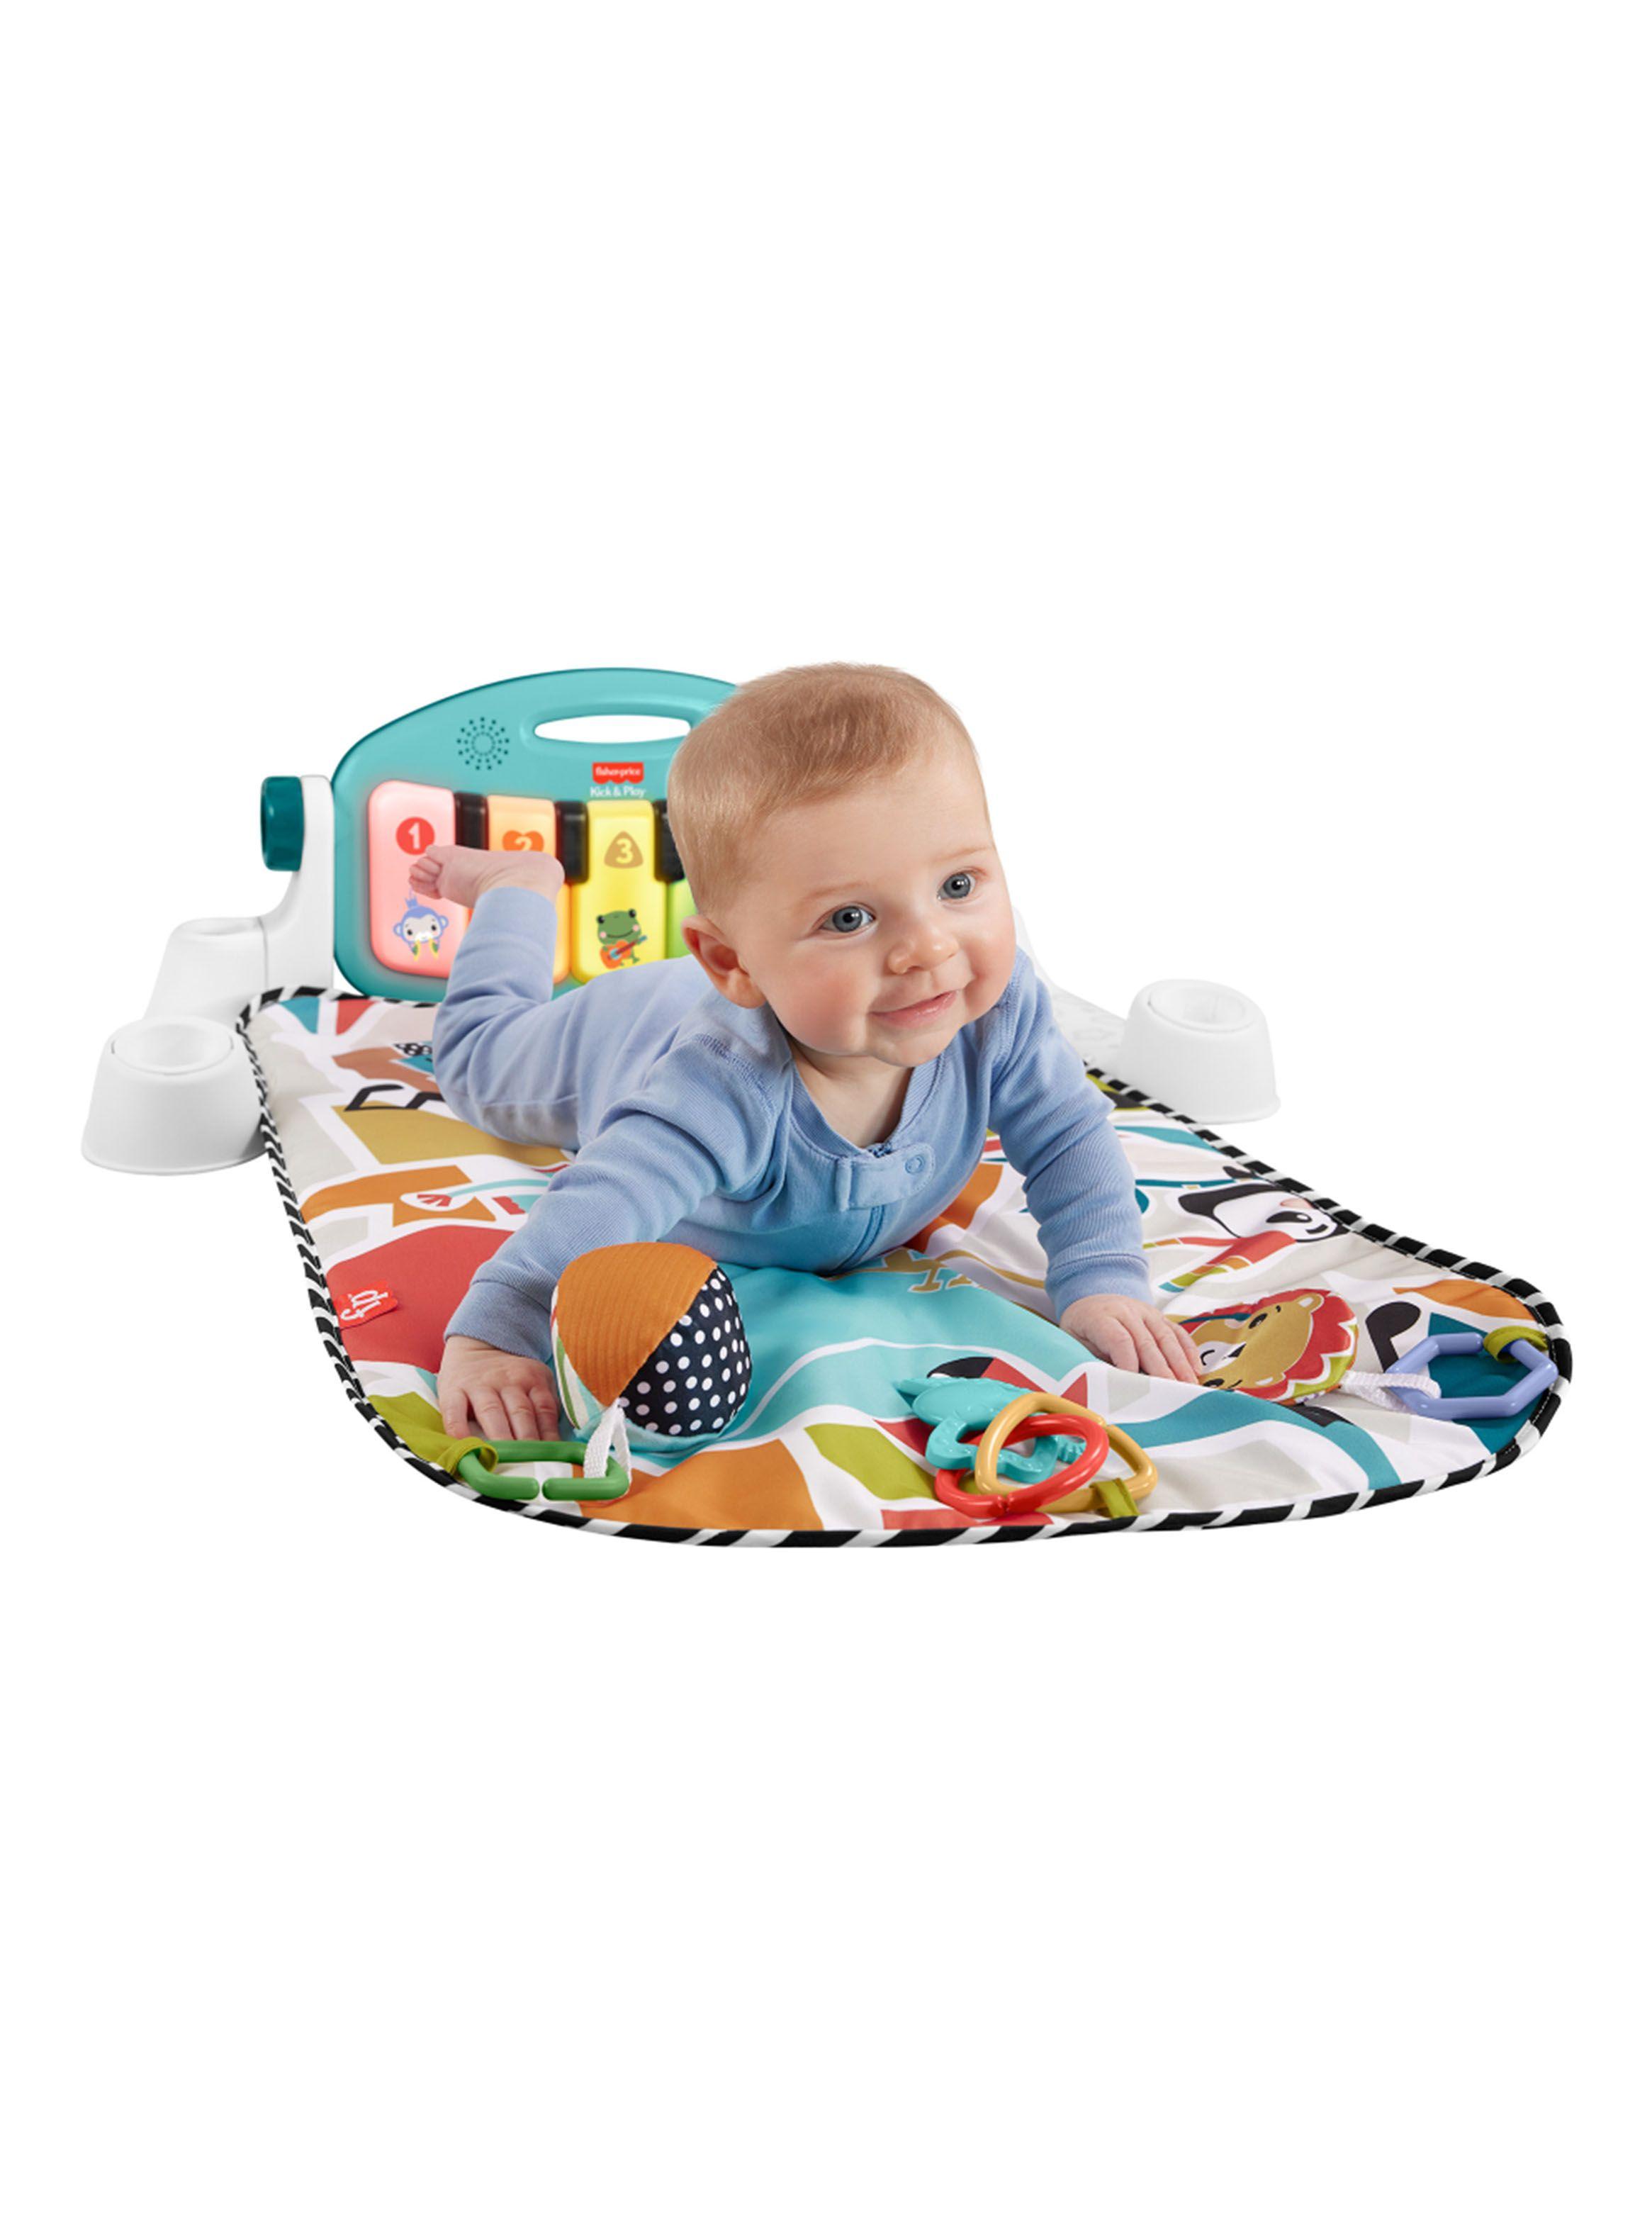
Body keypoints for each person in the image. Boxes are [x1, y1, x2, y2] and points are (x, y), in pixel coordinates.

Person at [412, 663, 1201, 1440]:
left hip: (729, 992)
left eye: (957, 886)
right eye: (850, 919)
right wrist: (496, 1334)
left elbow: (1067, 1136)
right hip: (614, 1037)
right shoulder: (721, 1084)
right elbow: (602, 1203)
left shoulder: (997, 1010)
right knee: (477, 1063)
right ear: (732, 963)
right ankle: (517, 889)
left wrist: (1100, 1279)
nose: (929, 947)